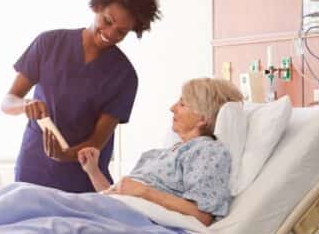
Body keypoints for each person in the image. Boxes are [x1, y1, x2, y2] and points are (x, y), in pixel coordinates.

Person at [1, 0, 161, 193]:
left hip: (83, 176)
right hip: (34, 167)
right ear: (97, 6)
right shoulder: (49, 43)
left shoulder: (124, 76)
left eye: (121, 32)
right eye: (107, 21)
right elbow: (7, 102)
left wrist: (64, 155)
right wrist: (26, 105)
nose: (109, 34)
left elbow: (96, 142)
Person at [79, 77, 243, 226]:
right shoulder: (157, 155)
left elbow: (202, 216)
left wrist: (144, 191)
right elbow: (119, 194)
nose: (172, 108)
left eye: (182, 104)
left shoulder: (208, 151)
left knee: (56, 218)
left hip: (135, 222)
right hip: (113, 210)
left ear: (202, 118)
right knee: (54, 208)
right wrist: (93, 171)